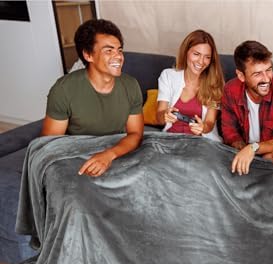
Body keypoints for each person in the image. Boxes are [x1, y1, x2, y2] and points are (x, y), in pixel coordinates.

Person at [41, 19, 144, 177]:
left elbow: (135, 134)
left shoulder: (131, 85)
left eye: (119, 50)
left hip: (116, 150)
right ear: (88, 55)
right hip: (77, 154)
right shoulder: (63, 89)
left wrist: (109, 155)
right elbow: (51, 145)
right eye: (108, 51)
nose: (118, 56)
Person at [221, 40, 273, 175]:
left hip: (271, 159)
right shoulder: (230, 90)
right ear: (241, 75)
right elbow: (229, 132)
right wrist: (243, 151)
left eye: (268, 70)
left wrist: (253, 148)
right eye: (257, 74)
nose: (266, 79)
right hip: (241, 152)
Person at [156, 30, 224, 142]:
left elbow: (210, 122)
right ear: (186, 52)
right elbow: (159, 116)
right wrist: (165, 115)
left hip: (201, 142)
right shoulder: (168, 76)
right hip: (170, 140)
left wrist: (203, 127)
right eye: (196, 54)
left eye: (207, 57)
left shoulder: (214, 83)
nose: (201, 62)